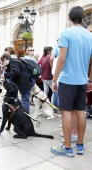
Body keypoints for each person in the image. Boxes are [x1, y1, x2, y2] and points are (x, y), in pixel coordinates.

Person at [51, 6, 92, 157]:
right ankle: (80, 146)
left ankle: (67, 148)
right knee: (81, 112)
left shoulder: (66, 33)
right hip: (82, 80)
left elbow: (61, 59)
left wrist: (55, 79)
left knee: (67, 112)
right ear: (82, 18)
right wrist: (90, 79)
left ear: (69, 18)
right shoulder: (89, 35)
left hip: (68, 80)